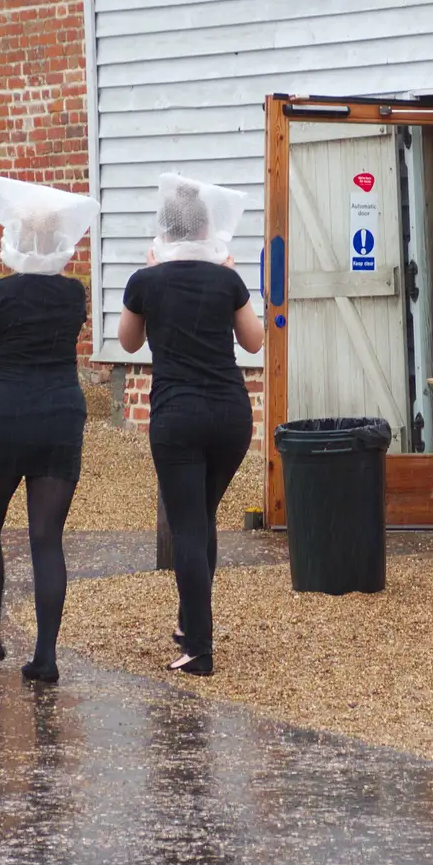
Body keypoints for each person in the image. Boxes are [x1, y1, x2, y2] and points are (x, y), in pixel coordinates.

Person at [0, 175, 98, 684]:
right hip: (61, 417)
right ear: (60, 241)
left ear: (14, 236)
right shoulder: (73, 294)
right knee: (45, 539)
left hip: (7, 418)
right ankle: (45, 657)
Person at [119, 175, 264, 677]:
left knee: (187, 526)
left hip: (177, 416)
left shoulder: (147, 281)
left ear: (164, 230)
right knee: (200, 517)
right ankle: (188, 625)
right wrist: (232, 276)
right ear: (206, 228)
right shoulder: (226, 280)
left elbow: (129, 344)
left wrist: (146, 281)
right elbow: (254, 342)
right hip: (230, 415)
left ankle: (199, 649)